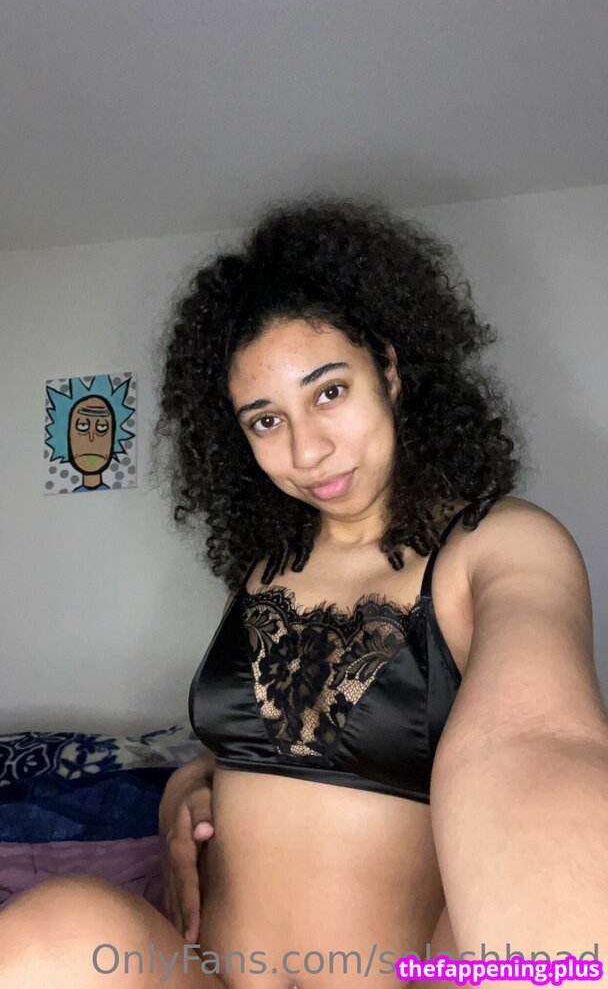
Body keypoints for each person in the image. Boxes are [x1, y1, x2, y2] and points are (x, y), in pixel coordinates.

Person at [1, 197, 606, 988]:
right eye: (265, 421)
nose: (307, 449)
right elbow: (260, 752)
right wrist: (186, 783)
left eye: (328, 393)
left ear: (389, 370)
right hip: (215, 978)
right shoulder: (263, 571)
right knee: (51, 932)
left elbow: (535, 741)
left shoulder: (497, 546)